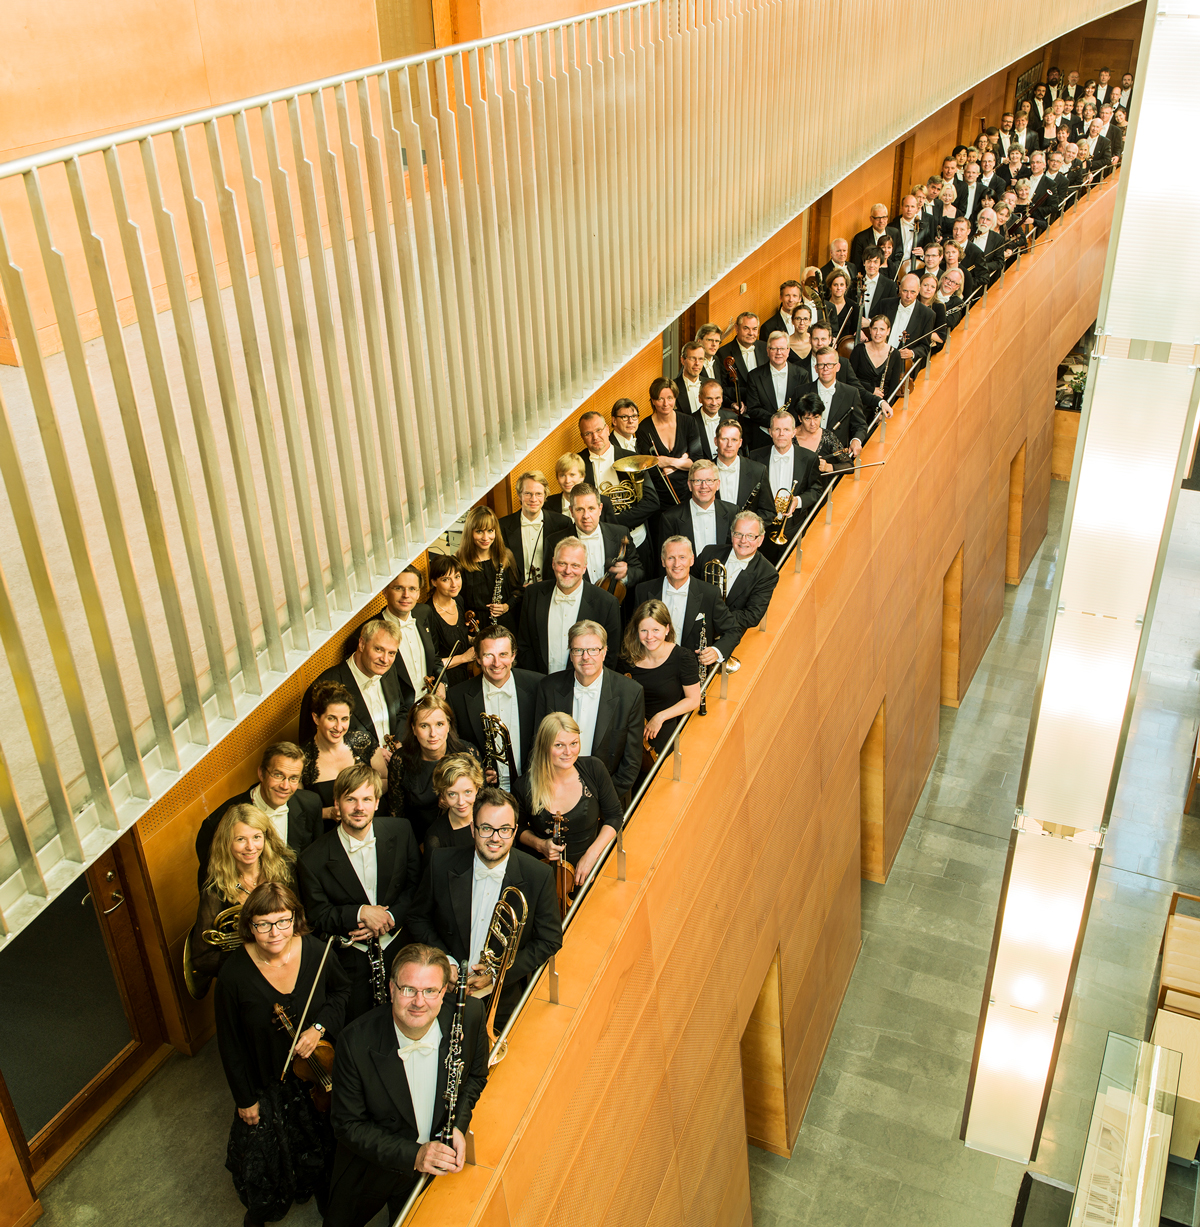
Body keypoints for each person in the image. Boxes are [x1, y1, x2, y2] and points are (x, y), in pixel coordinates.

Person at [324, 943, 489, 1227]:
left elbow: (475, 1077)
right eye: (408, 989)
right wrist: (415, 1155)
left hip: (434, 1162)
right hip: (373, 1165)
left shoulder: (470, 1014)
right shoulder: (354, 1041)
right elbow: (347, 1124)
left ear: (443, 992)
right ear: (391, 989)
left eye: (430, 991)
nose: (419, 1002)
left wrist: (457, 1125)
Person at [215, 882, 350, 1227]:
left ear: (295, 919)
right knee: (267, 1164)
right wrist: (244, 1099)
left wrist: (318, 1028)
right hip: (266, 1084)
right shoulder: (233, 974)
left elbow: (341, 993)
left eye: (282, 921)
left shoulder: (317, 952)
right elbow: (230, 1043)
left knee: (324, 1153)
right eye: (263, 924)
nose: (274, 932)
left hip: (315, 1078)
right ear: (250, 925)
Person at [410, 788, 562, 1024]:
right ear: (473, 829)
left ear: (514, 832)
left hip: (503, 998)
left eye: (504, 829)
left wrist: (497, 974)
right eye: (486, 828)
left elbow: (549, 940)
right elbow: (417, 918)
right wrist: (445, 962)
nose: (495, 838)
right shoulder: (440, 862)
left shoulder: (538, 875)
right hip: (443, 992)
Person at [298, 764, 421, 1022]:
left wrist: (389, 918)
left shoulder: (402, 830)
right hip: (351, 958)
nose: (359, 807)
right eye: (350, 799)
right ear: (337, 804)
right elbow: (318, 915)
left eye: (366, 799)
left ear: (377, 802)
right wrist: (360, 913)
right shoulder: (312, 858)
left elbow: (416, 888)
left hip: (401, 947)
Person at [531, 620, 645, 799]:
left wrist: (602, 801)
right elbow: (539, 747)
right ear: (570, 654)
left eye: (593, 650)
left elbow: (631, 763)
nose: (586, 657)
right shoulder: (548, 687)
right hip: (555, 793)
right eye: (578, 650)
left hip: (608, 797)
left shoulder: (630, 693)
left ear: (604, 652)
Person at [189, 803, 297, 993]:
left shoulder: (286, 870)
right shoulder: (216, 889)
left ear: (266, 837)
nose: (250, 847)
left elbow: (302, 923)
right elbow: (202, 958)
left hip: (291, 965)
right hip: (248, 980)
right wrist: (255, 957)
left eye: (256, 837)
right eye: (240, 839)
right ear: (226, 842)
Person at [515, 712, 623, 889]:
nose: (568, 752)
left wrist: (592, 855)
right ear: (544, 746)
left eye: (574, 743)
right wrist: (540, 845)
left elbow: (615, 816)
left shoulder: (594, 769)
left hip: (591, 872)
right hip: (544, 876)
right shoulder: (525, 785)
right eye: (559, 745)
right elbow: (517, 828)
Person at [195, 742, 321, 890]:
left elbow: (315, 864)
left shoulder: (311, 804)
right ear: (261, 773)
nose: (285, 786)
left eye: (293, 778)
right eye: (278, 775)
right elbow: (211, 883)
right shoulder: (217, 822)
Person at [447, 625, 542, 791]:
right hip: (484, 793)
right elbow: (454, 750)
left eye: (503, 654)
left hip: (533, 788)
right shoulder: (456, 697)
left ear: (513, 655)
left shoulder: (539, 686)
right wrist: (476, 773)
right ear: (477, 658)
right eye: (488, 655)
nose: (496, 663)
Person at [516, 537, 622, 675]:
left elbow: (610, 656)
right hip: (538, 682)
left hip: (583, 684)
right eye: (562, 563)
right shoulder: (533, 594)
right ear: (553, 563)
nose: (567, 570)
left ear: (584, 567)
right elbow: (524, 645)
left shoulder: (607, 603)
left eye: (575, 565)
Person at [633, 536, 740, 664]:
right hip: (652, 664)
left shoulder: (710, 593)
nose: (677, 564)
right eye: (671, 558)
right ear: (663, 561)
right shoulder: (643, 591)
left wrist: (716, 651)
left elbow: (733, 630)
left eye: (682, 557)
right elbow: (633, 632)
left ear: (692, 560)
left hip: (692, 666)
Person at [387, 695, 480, 842]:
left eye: (439, 724)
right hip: (416, 838)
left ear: (449, 725)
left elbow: (481, 803)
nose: (433, 734)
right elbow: (396, 815)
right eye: (424, 726)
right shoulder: (400, 761)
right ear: (413, 728)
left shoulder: (468, 752)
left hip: (463, 834)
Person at [620, 599, 701, 755]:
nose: (649, 636)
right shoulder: (626, 660)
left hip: (663, 730)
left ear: (667, 629)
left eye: (656, 630)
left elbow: (693, 699)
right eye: (644, 630)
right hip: (631, 734)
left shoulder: (683, 657)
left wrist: (660, 717)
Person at [299, 681, 382, 824]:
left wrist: (366, 799)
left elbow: (386, 779)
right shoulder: (301, 758)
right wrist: (327, 813)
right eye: (331, 718)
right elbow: (298, 809)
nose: (339, 727)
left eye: (344, 719)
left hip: (371, 822)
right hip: (328, 829)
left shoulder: (363, 741)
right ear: (316, 718)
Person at [694, 512, 780, 641]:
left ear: (760, 539)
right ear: (731, 534)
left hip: (727, 634)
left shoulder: (767, 573)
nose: (743, 540)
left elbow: (752, 616)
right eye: (738, 534)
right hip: (694, 624)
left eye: (750, 536)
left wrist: (714, 617)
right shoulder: (709, 552)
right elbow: (690, 586)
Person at [545, 483, 642, 592]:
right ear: (571, 511)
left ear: (600, 509)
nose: (586, 516)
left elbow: (639, 571)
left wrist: (626, 574)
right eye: (580, 509)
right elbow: (550, 583)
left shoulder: (621, 533)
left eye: (591, 508)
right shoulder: (554, 542)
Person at [454, 504, 522, 635]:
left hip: (504, 625)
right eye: (479, 531)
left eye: (490, 531)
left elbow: (518, 590)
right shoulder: (459, 561)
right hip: (474, 627)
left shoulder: (505, 556)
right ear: (470, 532)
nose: (486, 538)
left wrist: (506, 606)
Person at [656, 460, 739, 563]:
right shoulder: (670, 518)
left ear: (717, 484)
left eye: (709, 480)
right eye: (698, 481)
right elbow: (665, 561)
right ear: (689, 485)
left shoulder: (732, 512)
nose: (704, 486)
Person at [499, 470, 570, 586]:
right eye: (528, 493)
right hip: (517, 593)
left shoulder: (562, 523)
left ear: (545, 495)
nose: (533, 499)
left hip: (552, 590)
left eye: (538, 494)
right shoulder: (502, 526)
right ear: (519, 495)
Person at [636, 377, 701, 503]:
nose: (666, 404)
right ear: (653, 400)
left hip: (689, 492)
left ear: (675, 398)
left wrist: (668, 461)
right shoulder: (644, 428)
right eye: (660, 399)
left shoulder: (689, 422)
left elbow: (697, 463)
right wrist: (683, 461)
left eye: (670, 398)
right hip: (660, 497)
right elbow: (651, 471)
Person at [743, 331, 808, 450]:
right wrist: (776, 424)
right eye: (774, 349)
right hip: (763, 436)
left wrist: (786, 427)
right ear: (767, 351)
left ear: (788, 350)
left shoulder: (801, 375)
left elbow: (803, 406)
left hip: (793, 436)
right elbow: (753, 409)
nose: (779, 352)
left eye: (782, 348)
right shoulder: (754, 376)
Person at [423, 554, 474, 689]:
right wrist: (464, 657)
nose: (454, 584)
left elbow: (456, 636)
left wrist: (473, 640)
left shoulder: (458, 600)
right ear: (434, 582)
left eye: (457, 577)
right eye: (446, 579)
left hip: (467, 675)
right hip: (446, 681)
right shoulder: (428, 614)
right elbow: (432, 662)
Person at [422, 753, 483, 862]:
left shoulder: (492, 820)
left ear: (477, 789)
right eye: (452, 794)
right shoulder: (436, 837)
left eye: (467, 792)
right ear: (443, 795)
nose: (461, 802)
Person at [713, 419, 775, 519]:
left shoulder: (758, 471)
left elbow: (768, 512)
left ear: (740, 442)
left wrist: (749, 526)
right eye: (724, 439)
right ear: (716, 441)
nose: (729, 444)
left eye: (734, 440)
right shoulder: (703, 472)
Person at [879, 273, 937, 367]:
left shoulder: (928, 314)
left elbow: (925, 346)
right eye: (905, 291)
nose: (908, 296)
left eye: (913, 292)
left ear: (918, 291)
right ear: (900, 288)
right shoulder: (885, 304)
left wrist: (912, 353)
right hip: (879, 356)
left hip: (901, 364)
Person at [716, 312, 767, 414]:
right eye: (746, 328)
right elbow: (722, 388)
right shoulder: (723, 353)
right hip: (741, 412)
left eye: (754, 329)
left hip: (764, 409)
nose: (751, 333)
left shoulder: (765, 348)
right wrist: (735, 402)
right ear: (736, 328)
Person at [850, 315, 906, 407]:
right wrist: (871, 390)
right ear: (870, 330)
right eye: (875, 328)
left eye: (882, 329)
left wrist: (885, 407)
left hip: (883, 403)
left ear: (888, 331)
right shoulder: (859, 350)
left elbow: (893, 387)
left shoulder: (895, 354)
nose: (877, 333)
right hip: (859, 401)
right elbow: (850, 379)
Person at [693, 377, 739, 462]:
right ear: (700, 398)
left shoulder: (732, 417)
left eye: (717, 398)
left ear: (722, 398)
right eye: (709, 398)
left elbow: (739, 449)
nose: (714, 403)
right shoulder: (690, 421)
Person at [849, 204, 899, 268]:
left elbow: (899, 256)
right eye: (877, 218)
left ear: (887, 218)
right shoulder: (860, 238)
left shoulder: (895, 233)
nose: (881, 221)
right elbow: (856, 264)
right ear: (871, 219)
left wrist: (892, 270)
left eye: (884, 217)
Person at [545, 451, 586, 517]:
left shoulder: (598, 502)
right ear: (557, 478)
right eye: (562, 475)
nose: (567, 481)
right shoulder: (547, 505)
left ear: (582, 477)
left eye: (572, 475)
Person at [673, 340, 708, 413]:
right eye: (692, 358)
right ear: (683, 360)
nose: (697, 363)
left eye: (700, 359)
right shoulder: (672, 388)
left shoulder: (711, 384)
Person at [822, 273, 854, 348]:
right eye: (835, 285)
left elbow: (855, 329)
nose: (838, 288)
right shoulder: (823, 305)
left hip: (846, 348)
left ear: (846, 287)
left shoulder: (853, 306)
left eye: (842, 285)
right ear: (830, 286)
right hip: (826, 346)